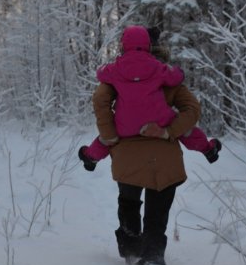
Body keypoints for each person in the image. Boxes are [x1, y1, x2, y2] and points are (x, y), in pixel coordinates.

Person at [89, 26, 210, 265]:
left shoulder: (114, 78)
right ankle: (153, 257)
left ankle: (131, 249)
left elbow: (102, 107)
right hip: (164, 153)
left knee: (129, 202)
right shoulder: (168, 77)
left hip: (127, 153)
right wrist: (169, 131)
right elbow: (192, 110)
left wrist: (103, 143)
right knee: (157, 212)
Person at [78, 25, 221, 171]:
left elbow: (101, 74)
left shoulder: (115, 69)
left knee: (107, 136)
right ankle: (208, 149)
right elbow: (175, 77)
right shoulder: (158, 67)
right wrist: (179, 72)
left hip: (126, 124)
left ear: (123, 45)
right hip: (159, 121)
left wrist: (103, 69)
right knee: (186, 130)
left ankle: (90, 157)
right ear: (149, 45)